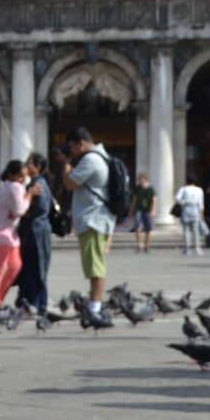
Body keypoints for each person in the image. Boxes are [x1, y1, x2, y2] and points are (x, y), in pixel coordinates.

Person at [61, 127, 116, 317]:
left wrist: (67, 164)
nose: (72, 152)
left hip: (93, 219)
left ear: (81, 144)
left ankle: (95, 307)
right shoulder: (102, 157)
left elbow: (70, 184)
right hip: (97, 218)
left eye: (72, 148)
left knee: (95, 267)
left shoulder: (91, 160)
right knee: (94, 265)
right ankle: (95, 303)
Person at [0, 160, 35, 310]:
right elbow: (19, 210)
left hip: (4, 232)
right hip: (2, 233)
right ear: (11, 175)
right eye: (20, 176)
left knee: (14, 266)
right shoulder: (15, 187)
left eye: (24, 176)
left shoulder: (7, 186)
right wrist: (29, 195)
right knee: (3, 267)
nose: (23, 179)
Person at [16, 153, 52, 316]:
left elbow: (41, 208)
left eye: (29, 163)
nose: (26, 165)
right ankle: (31, 301)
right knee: (31, 267)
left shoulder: (39, 184)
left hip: (36, 231)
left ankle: (36, 302)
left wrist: (25, 211)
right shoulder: (34, 184)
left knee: (36, 267)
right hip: (32, 230)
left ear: (37, 167)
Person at [175, 176, 205, 256]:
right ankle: (198, 248)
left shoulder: (183, 189)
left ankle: (187, 249)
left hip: (186, 209)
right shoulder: (199, 190)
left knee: (186, 230)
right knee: (196, 230)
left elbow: (177, 199)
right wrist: (201, 213)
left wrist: (183, 202)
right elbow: (201, 203)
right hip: (195, 209)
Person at [131, 174, 156, 253]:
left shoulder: (151, 189)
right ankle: (139, 245)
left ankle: (147, 245)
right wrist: (131, 209)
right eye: (139, 180)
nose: (140, 182)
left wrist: (153, 210)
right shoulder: (137, 188)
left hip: (148, 210)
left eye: (141, 180)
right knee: (137, 227)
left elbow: (154, 200)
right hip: (139, 209)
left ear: (145, 180)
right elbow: (134, 199)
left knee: (148, 229)